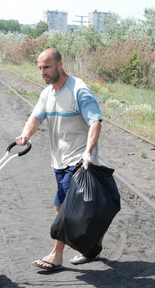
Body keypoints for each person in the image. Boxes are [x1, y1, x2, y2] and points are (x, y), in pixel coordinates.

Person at [15, 48, 103, 271]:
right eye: (40, 68)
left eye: (46, 67)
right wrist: (26, 134)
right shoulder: (47, 94)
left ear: (59, 65)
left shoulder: (79, 90)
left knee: (62, 206)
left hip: (78, 160)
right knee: (70, 208)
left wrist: (88, 153)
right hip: (58, 161)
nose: (42, 72)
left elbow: (95, 122)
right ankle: (91, 246)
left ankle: (57, 254)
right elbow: (35, 118)